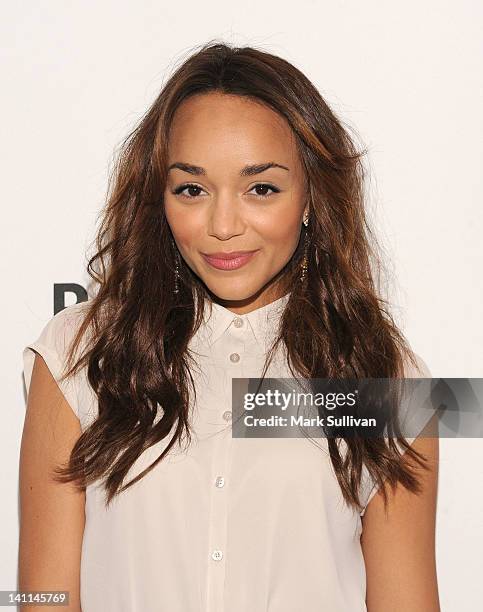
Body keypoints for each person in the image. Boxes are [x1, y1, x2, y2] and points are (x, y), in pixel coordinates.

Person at [19, 41, 440, 611]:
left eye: (260, 188)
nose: (223, 225)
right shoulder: (78, 353)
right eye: (191, 188)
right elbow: (43, 598)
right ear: (159, 197)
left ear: (312, 194)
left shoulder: (385, 382)